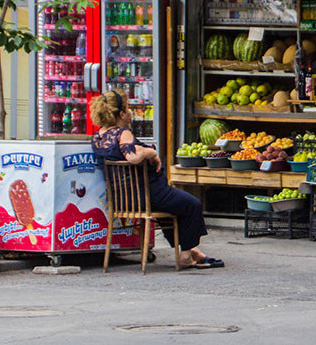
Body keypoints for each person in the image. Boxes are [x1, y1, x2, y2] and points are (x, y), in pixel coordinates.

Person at [90, 89, 221, 269]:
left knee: (172, 208)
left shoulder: (97, 137)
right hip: (148, 195)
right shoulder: (122, 133)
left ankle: (193, 252)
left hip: (123, 199)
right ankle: (185, 255)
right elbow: (133, 157)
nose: (130, 113)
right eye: (128, 109)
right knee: (192, 205)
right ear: (121, 114)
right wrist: (152, 152)